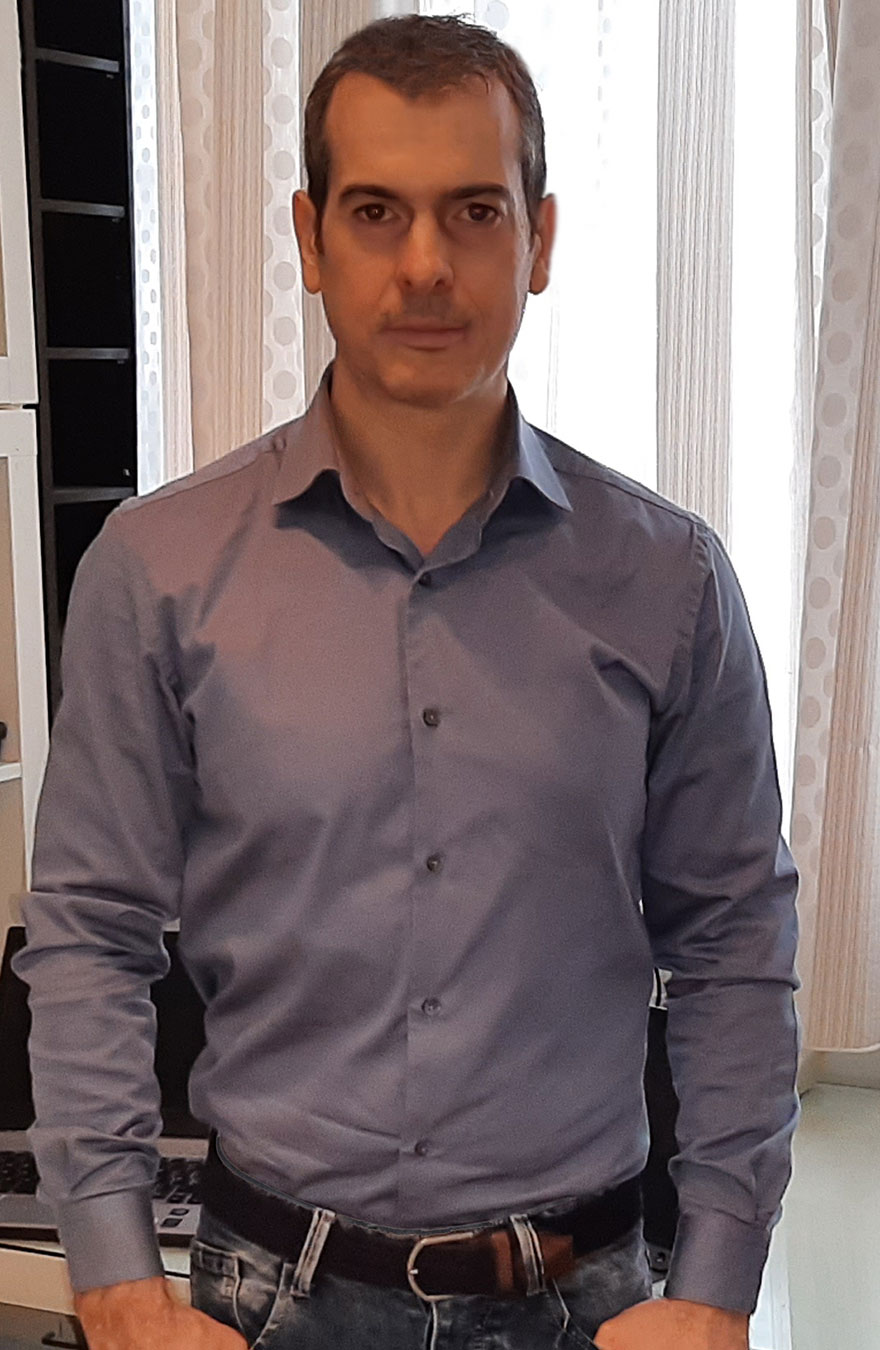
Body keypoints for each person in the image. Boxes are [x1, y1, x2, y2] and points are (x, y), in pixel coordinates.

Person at [14, 14, 799, 1350]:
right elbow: (89, 930)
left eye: (474, 212)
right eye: (377, 212)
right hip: (266, 1298)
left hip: (586, 1295)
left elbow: (734, 944)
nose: (425, 264)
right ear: (311, 238)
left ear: (539, 240)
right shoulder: (159, 570)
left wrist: (717, 1284)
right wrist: (109, 1268)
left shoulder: (670, 582)